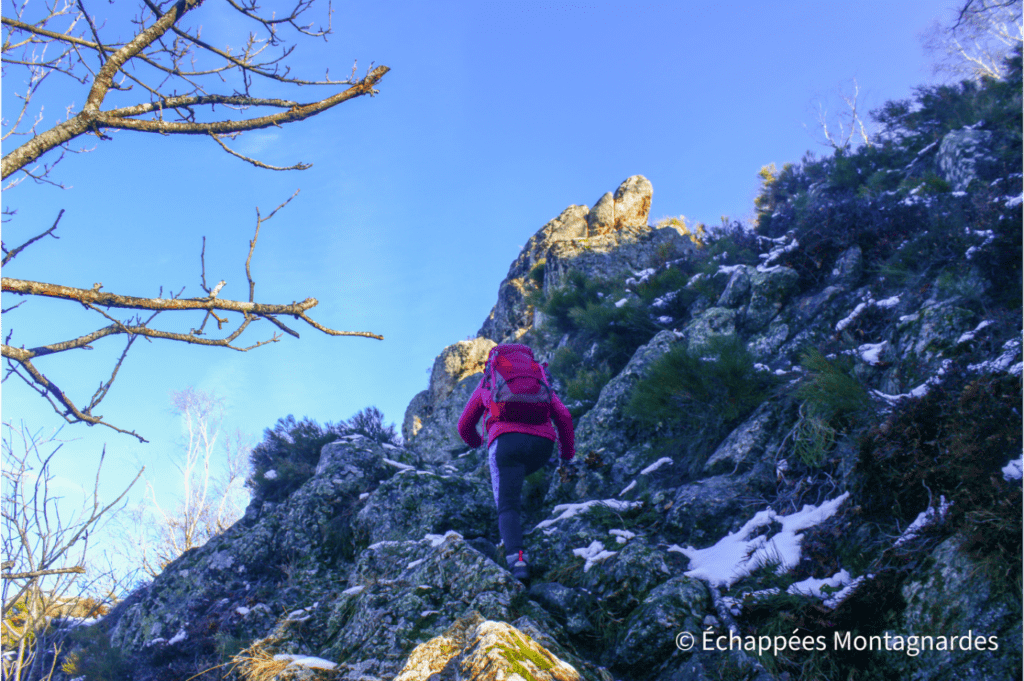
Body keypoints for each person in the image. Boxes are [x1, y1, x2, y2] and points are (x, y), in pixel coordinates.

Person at [457, 343, 575, 582]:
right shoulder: (537, 375)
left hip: (506, 443)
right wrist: (566, 456)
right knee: (520, 474)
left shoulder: (490, 379)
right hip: (543, 447)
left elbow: (464, 426)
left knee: (507, 505)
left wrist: (479, 443)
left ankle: (516, 559)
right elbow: (563, 415)